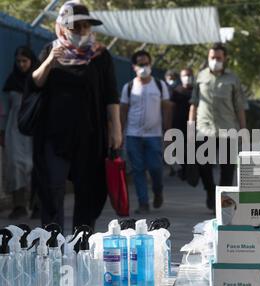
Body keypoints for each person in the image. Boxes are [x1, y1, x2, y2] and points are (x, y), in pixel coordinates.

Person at [27, 1, 122, 231]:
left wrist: (116, 128)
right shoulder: (51, 50)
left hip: (89, 136)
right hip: (54, 136)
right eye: (74, 28)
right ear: (62, 28)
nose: (80, 32)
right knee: (52, 188)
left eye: (85, 27)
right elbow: (35, 83)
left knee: (88, 190)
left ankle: (83, 242)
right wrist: (50, 61)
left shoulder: (100, 56)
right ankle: (52, 244)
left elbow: (111, 94)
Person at [189, 43, 247, 210]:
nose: (215, 61)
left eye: (218, 58)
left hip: (227, 130)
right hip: (203, 129)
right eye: (212, 58)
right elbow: (193, 104)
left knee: (227, 169)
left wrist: (243, 130)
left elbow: (240, 107)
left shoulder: (233, 79)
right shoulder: (200, 77)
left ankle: (223, 202)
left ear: (225, 59)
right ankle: (210, 192)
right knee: (203, 166)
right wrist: (190, 129)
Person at [120, 50, 172, 214]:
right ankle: (143, 202)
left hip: (154, 135)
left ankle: (158, 191)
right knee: (137, 169)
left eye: (147, 64)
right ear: (134, 67)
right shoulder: (128, 87)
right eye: (141, 64)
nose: (144, 67)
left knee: (155, 167)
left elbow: (166, 107)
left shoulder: (159, 85)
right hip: (133, 134)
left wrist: (168, 130)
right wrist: (120, 132)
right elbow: (123, 110)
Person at [1, 47, 38, 219]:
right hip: (14, 131)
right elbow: (5, 110)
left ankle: (38, 204)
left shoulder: (39, 80)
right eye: (19, 61)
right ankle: (19, 206)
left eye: (25, 61)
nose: (22, 64)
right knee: (15, 166)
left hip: (35, 131)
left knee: (36, 166)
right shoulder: (11, 83)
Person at [170, 68, 194, 180]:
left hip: (193, 124)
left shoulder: (196, 91)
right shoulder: (176, 91)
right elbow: (171, 107)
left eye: (189, 75)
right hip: (178, 123)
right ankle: (183, 169)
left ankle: (190, 171)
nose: (187, 77)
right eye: (184, 75)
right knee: (179, 149)